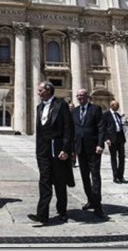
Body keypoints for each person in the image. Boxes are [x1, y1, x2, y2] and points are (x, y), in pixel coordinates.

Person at [28, 81, 74, 224]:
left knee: (60, 182)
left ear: (48, 90)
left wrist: (66, 149)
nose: (38, 92)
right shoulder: (39, 107)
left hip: (57, 148)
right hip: (42, 150)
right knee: (44, 180)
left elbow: (68, 128)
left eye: (40, 90)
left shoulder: (62, 105)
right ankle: (42, 214)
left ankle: (62, 211)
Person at [71, 89, 106, 218]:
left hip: (94, 148)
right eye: (78, 95)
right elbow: (73, 131)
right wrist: (72, 150)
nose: (80, 97)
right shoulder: (74, 112)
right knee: (85, 177)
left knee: (95, 176)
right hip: (80, 149)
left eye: (82, 95)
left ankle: (98, 205)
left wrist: (100, 144)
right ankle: (90, 200)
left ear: (87, 97)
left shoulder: (95, 109)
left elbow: (101, 127)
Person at [104, 100, 127, 183]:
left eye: (118, 105)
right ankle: (115, 176)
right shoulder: (106, 115)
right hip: (112, 139)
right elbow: (104, 128)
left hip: (120, 138)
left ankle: (121, 176)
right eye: (116, 105)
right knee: (113, 158)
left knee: (122, 157)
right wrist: (106, 138)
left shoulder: (118, 115)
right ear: (111, 106)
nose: (118, 107)